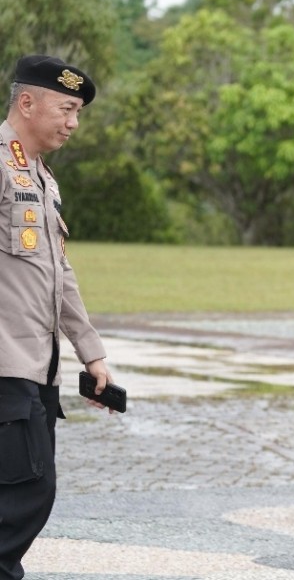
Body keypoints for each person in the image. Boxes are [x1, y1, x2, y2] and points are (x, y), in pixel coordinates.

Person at [0, 55, 117, 580]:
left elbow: (58, 273)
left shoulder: (39, 176)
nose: (74, 122)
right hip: (5, 366)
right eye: (67, 109)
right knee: (28, 492)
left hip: (34, 367)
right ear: (27, 102)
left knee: (27, 489)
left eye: (78, 112)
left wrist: (90, 352)